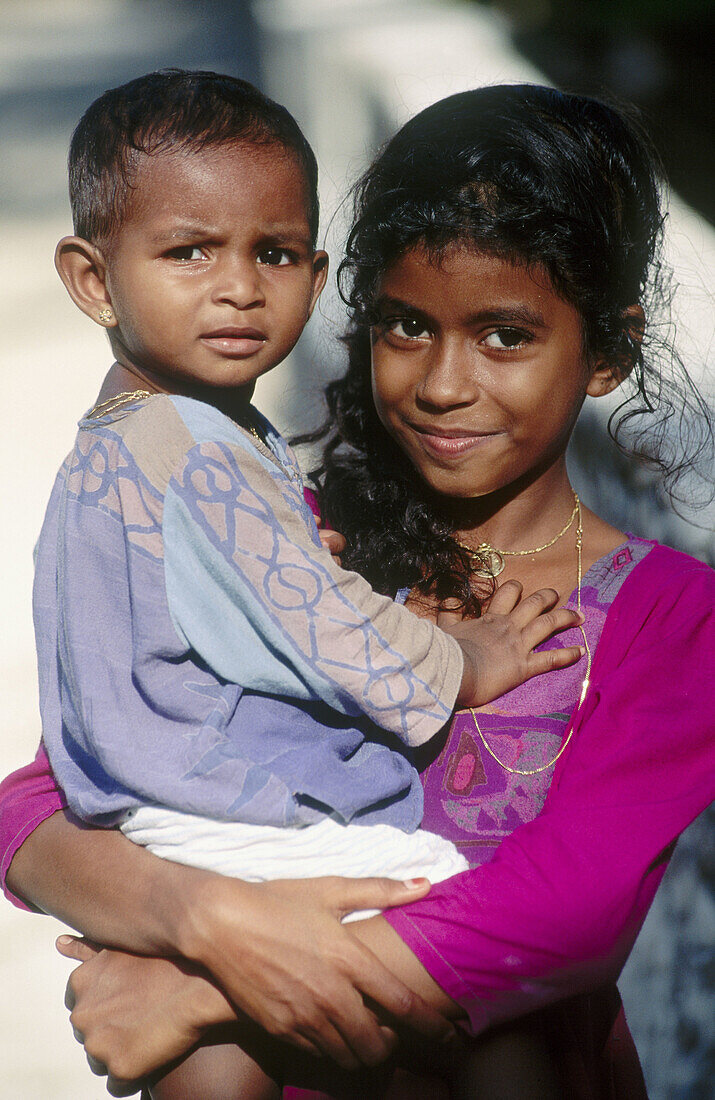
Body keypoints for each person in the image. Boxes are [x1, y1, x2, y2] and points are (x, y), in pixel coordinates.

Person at [2, 84, 713, 1098]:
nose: (441, 384)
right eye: (404, 325)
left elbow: (569, 911)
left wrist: (203, 991)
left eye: (505, 336)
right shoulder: (287, 536)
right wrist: (203, 920)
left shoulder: (668, 614)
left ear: (607, 349)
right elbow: (41, 790)